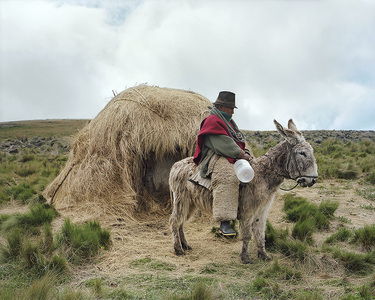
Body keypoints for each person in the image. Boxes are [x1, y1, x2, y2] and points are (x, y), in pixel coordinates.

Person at [193, 91, 252, 236]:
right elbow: (221, 143)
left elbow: (236, 139)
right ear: (221, 106)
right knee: (227, 176)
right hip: (216, 154)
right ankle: (224, 222)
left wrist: (246, 153)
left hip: (234, 153)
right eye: (230, 108)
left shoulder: (228, 122)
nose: (232, 112)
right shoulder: (212, 121)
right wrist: (240, 154)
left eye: (233, 109)